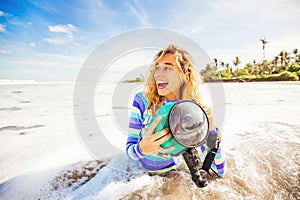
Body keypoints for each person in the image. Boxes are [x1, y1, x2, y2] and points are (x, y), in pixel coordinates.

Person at [125, 44, 226, 181]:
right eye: (157, 67)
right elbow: (130, 151)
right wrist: (143, 148)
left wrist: (211, 130)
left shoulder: (192, 111)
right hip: (140, 174)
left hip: (171, 174)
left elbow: (219, 172)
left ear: (184, 75)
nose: (158, 74)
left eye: (168, 68)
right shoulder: (142, 100)